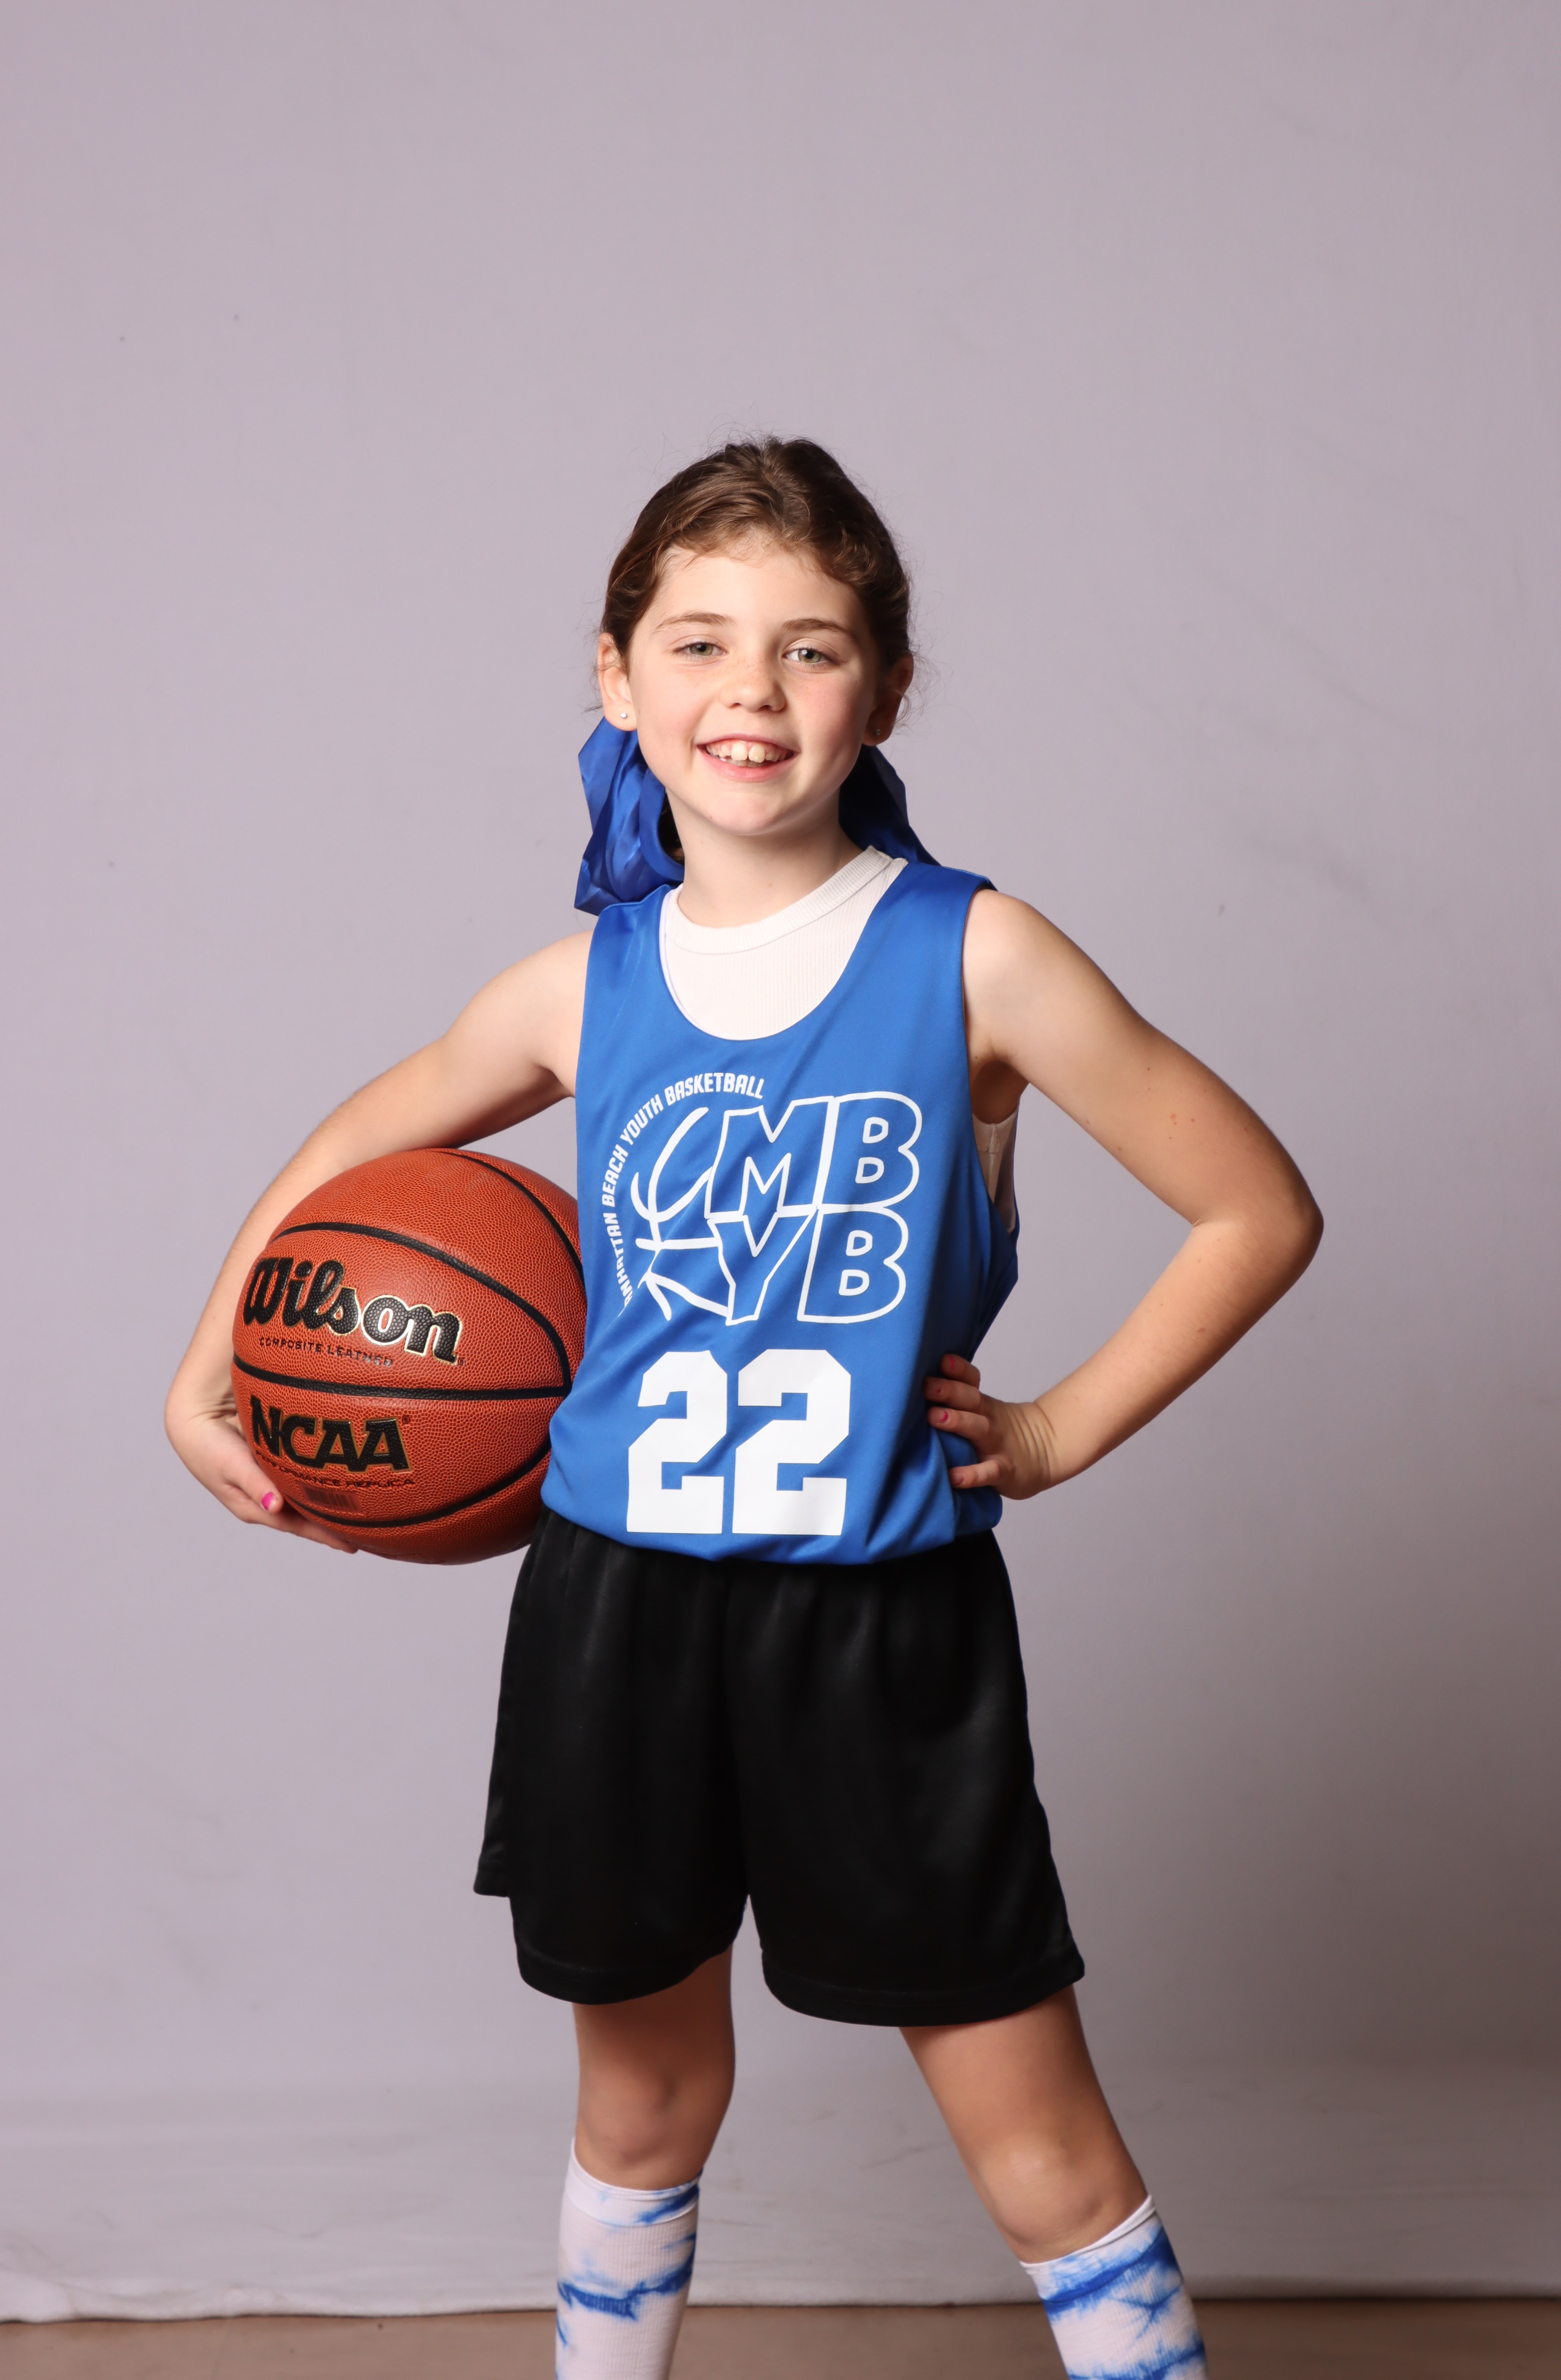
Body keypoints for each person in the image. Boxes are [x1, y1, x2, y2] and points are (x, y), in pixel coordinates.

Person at [167, 438, 1321, 2379]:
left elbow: (1254, 1209)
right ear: (615, 675)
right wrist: (207, 1365)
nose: (751, 692)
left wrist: (1054, 1430)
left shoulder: (974, 953)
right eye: (698, 642)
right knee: (638, 2107)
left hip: (880, 1618)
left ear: (884, 687)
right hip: (617, 1610)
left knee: (1035, 2140)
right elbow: (355, 1146)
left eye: (810, 647)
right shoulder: (581, 987)